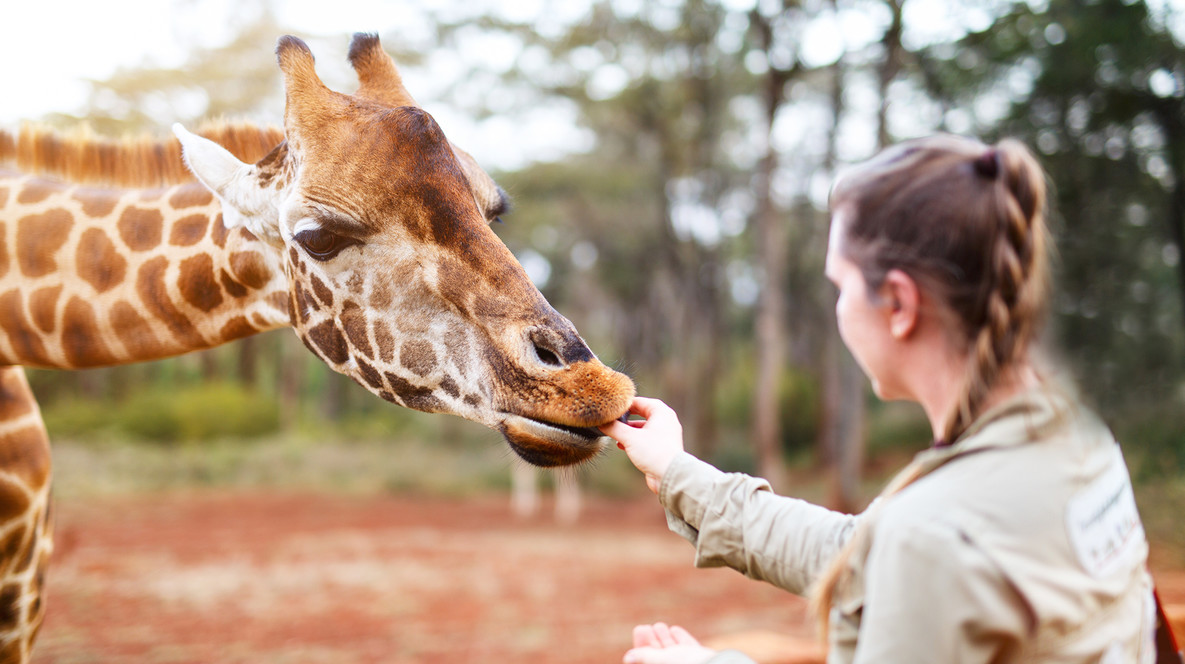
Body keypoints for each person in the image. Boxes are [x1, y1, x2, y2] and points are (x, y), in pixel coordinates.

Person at [599, 135, 1158, 664]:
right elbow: (863, 550)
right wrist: (678, 471)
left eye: (841, 288)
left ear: (898, 303)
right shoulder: (1074, 438)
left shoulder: (934, 533)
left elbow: (912, 551)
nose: (839, 308)